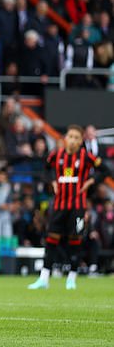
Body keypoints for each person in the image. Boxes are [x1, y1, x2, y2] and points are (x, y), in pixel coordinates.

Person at [28, 125, 108, 291]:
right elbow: (46, 169)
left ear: (80, 142)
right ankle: (44, 278)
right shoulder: (56, 155)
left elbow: (105, 170)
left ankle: (72, 278)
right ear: (65, 139)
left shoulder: (86, 156)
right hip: (59, 206)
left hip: (77, 207)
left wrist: (91, 181)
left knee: (75, 242)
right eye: (70, 136)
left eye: (76, 137)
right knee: (51, 241)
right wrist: (52, 181)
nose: (72, 140)